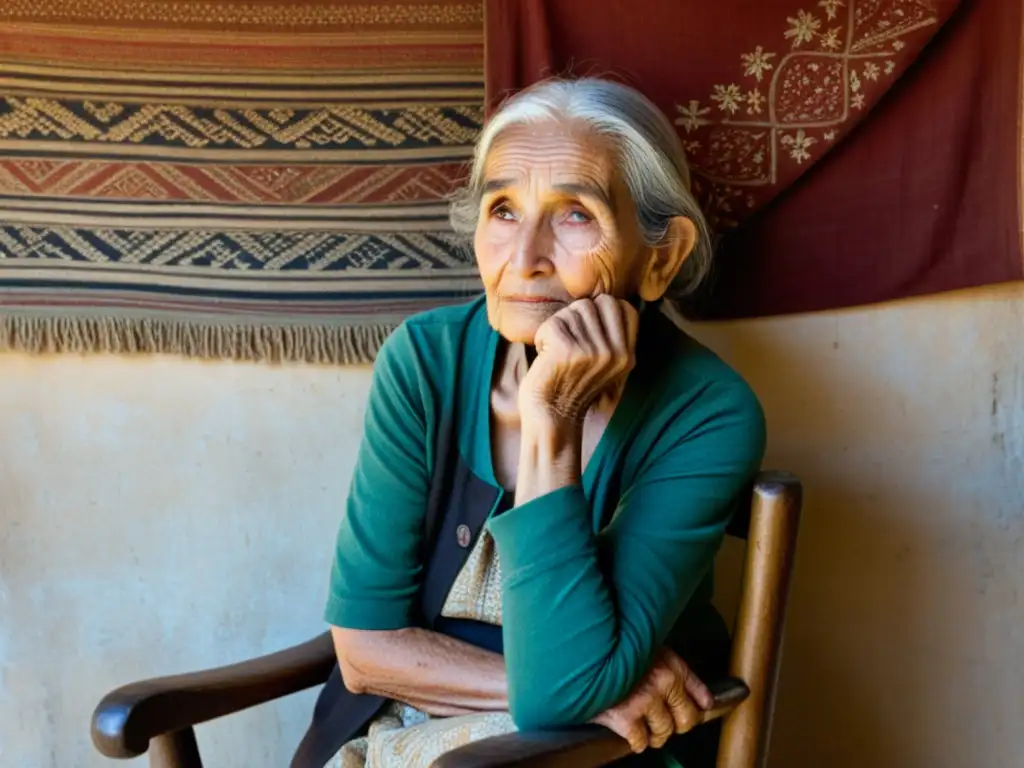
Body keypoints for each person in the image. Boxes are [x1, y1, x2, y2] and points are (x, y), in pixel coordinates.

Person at [295, 77, 767, 768]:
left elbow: (560, 700)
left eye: (575, 214)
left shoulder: (707, 413)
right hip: (397, 738)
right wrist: (581, 689)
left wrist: (554, 417)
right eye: (504, 210)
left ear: (660, 257)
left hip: (594, 755)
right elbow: (365, 652)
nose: (524, 260)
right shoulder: (425, 361)